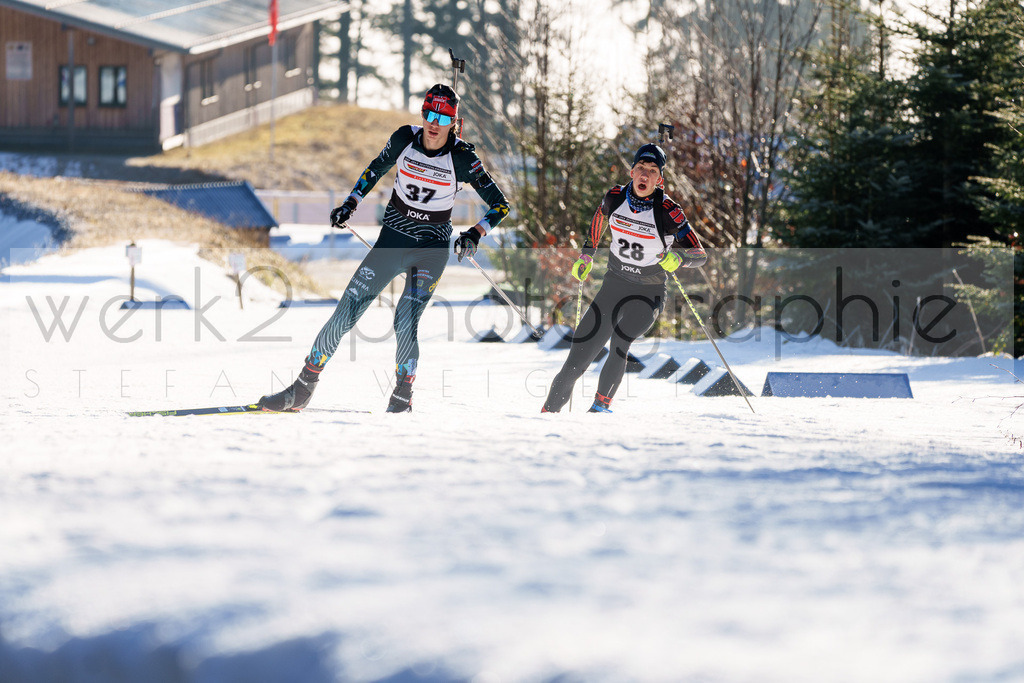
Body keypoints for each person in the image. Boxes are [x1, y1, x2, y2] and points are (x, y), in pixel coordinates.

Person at [259, 84, 509, 413]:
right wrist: (351, 203)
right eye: (430, 115)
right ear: (423, 114)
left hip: (430, 250)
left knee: (404, 320)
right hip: (392, 240)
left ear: (454, 122)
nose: (434, 124)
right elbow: (376, 168)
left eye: (443, 118)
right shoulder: (405, 137)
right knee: (346, 311)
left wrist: (475, 233)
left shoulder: (462, 158)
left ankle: (402, 396)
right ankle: (302, 389)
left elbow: (500, 205)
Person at [541, 143, 707, 413]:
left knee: (621, 338)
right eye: (641, 168)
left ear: (659, 179)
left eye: (652, 171)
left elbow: (699, 253)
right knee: (581, 349)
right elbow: (598, 220)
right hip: (614, 285)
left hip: (648, 293)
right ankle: (548, 412)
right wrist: (586, 255)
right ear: (631, 171)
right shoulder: (615, 197)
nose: (645, 175)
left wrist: (680, 259)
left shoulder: (667, 210)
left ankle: (600, 407)